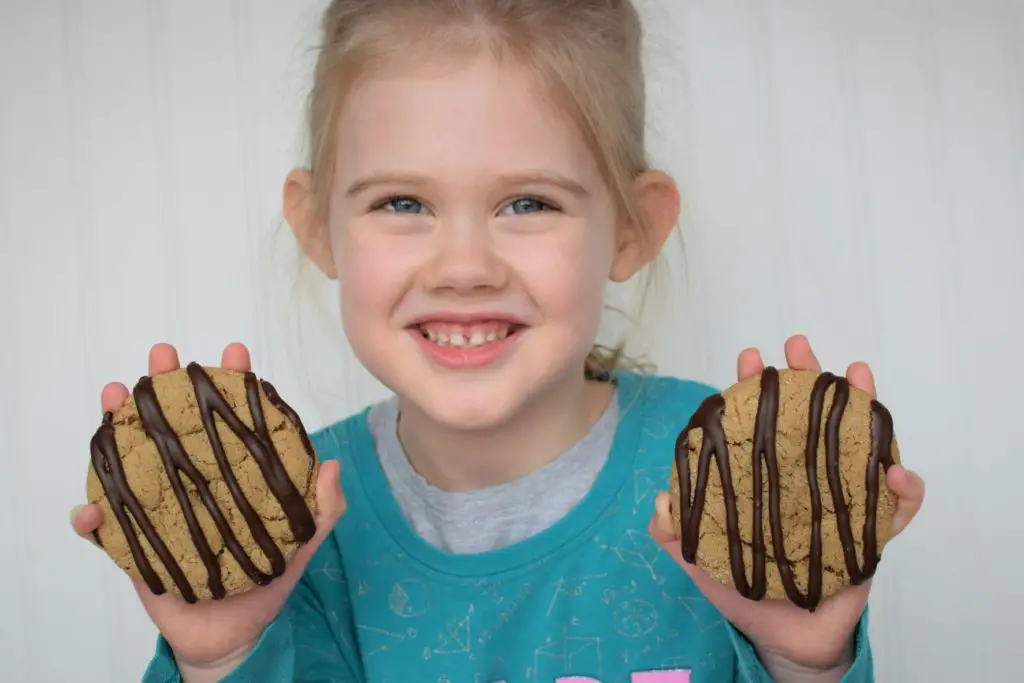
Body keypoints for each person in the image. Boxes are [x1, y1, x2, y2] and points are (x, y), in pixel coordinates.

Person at [70, 1, 925, 681]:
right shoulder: (289, 525)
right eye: (402, 203)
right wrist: (222, 658)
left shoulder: (726, 490)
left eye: (528, 203)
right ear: (317, 225)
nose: (465, 266)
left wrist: (802, 662)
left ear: (633, 226)